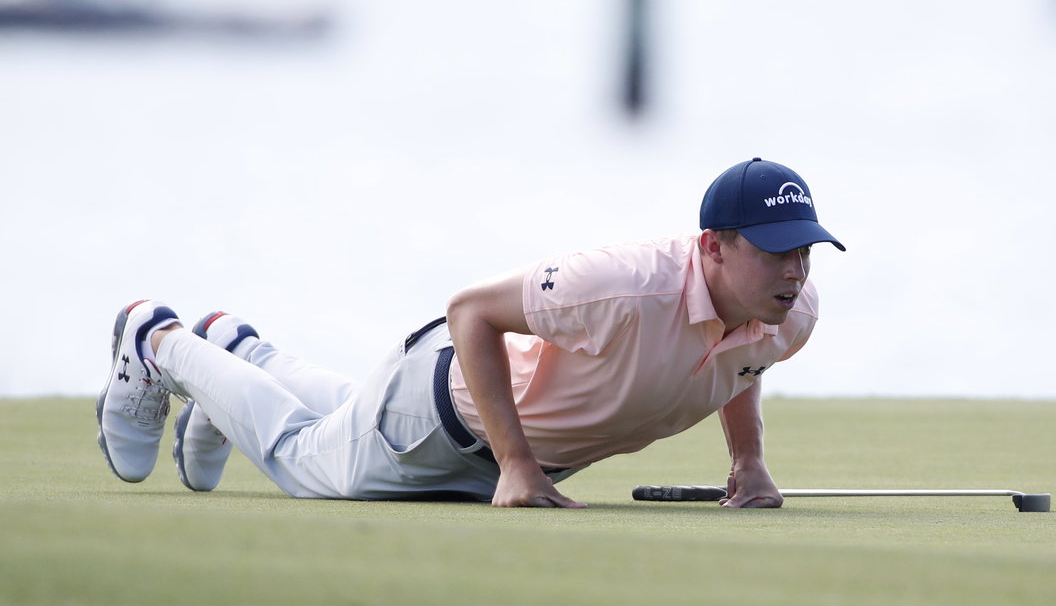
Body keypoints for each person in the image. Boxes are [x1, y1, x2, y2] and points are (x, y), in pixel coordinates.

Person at [95, 157, 844, 509]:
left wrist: (748, 460)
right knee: (297, 457)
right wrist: (517, 466)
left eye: (805, 250)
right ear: (713, 246)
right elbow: (470, 312)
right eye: (778, 251)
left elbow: (738, 367)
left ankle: (239, 352)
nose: (796, 270)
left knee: (344, 417)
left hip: (497, 447)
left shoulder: (789, 314)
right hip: (442, 418)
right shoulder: (621, 285)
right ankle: (156, 341)